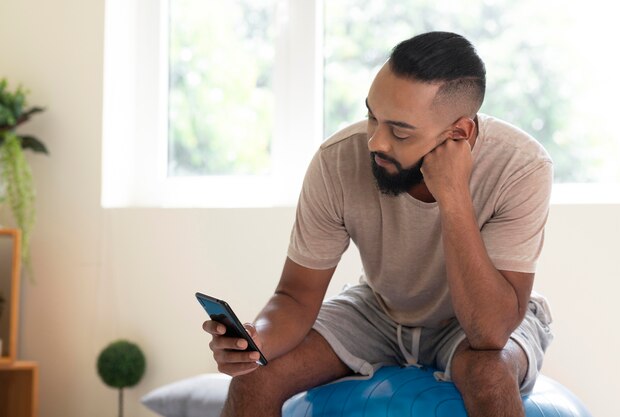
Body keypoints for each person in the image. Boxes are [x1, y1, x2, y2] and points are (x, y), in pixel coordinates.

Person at [203, 31, 554, 417]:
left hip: (478, 318)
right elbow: (296, 296)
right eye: (372, 116)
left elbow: (490, 332)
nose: (375, 142)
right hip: (379, 310)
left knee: (489, 372)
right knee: (254, 377)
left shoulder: (521, 167)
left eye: (400, 131)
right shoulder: (337, 159)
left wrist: (453, 196)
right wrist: (256, 341)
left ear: (459, 132)